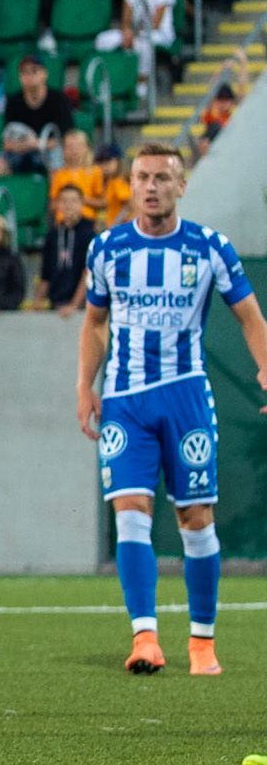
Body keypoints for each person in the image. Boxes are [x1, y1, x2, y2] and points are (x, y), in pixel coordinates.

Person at [76, 145, 267, 677]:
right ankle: (145, 638)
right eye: (142, 177)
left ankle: (202, 643)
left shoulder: (210, 248)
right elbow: (94, 323)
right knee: (130, 512)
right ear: (131, 185)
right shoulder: (107, 249)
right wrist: (83, 386)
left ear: (182, 186)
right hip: (124, 399)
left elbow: (251, 318)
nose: (152, 186)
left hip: (186, 397)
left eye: (162, 177)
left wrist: (266, 368)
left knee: (195, 517)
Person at [38, 185, 95, 316]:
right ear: (57, 204)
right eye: (64, 201)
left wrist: (74, 305)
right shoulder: (52, 235)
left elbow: (88, 273)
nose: (69, 205)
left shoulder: (90, 235)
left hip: (81, 308)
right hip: (56, 303)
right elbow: (45, 273)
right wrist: (38, 301)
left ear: (82, 203)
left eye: (73, 201)